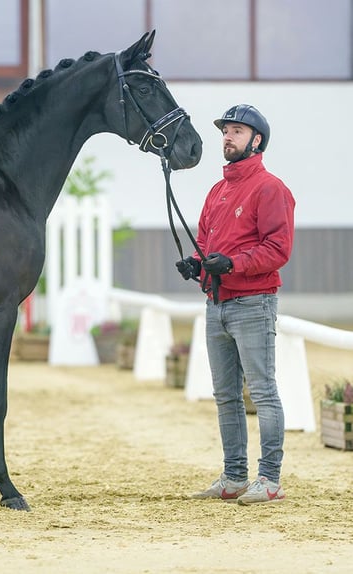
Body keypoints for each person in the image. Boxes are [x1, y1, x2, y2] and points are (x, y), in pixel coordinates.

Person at [175, 104, 295, 505]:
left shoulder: (271, 188)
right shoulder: (217, 190)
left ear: (256, 140)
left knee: (262, 391)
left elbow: (278, 249)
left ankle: (270, 479)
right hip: (217, 303)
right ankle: (234, 476)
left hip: (253, 303)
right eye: (226, 130)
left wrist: (233, 265)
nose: (227, 136)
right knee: (225, 395)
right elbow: (208, 241)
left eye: (237, 131)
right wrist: (197, 262)